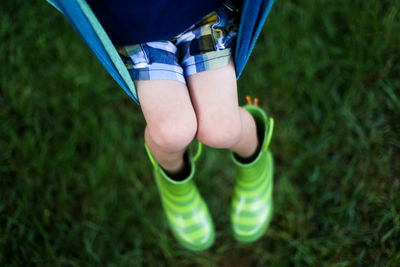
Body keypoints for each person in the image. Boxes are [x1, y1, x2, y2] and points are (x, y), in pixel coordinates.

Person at [55, 0, 274, 250]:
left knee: (221, 129)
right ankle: (175, 183)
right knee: (172, 132)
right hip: (134, 31)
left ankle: (255, 160)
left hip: (204, 14)